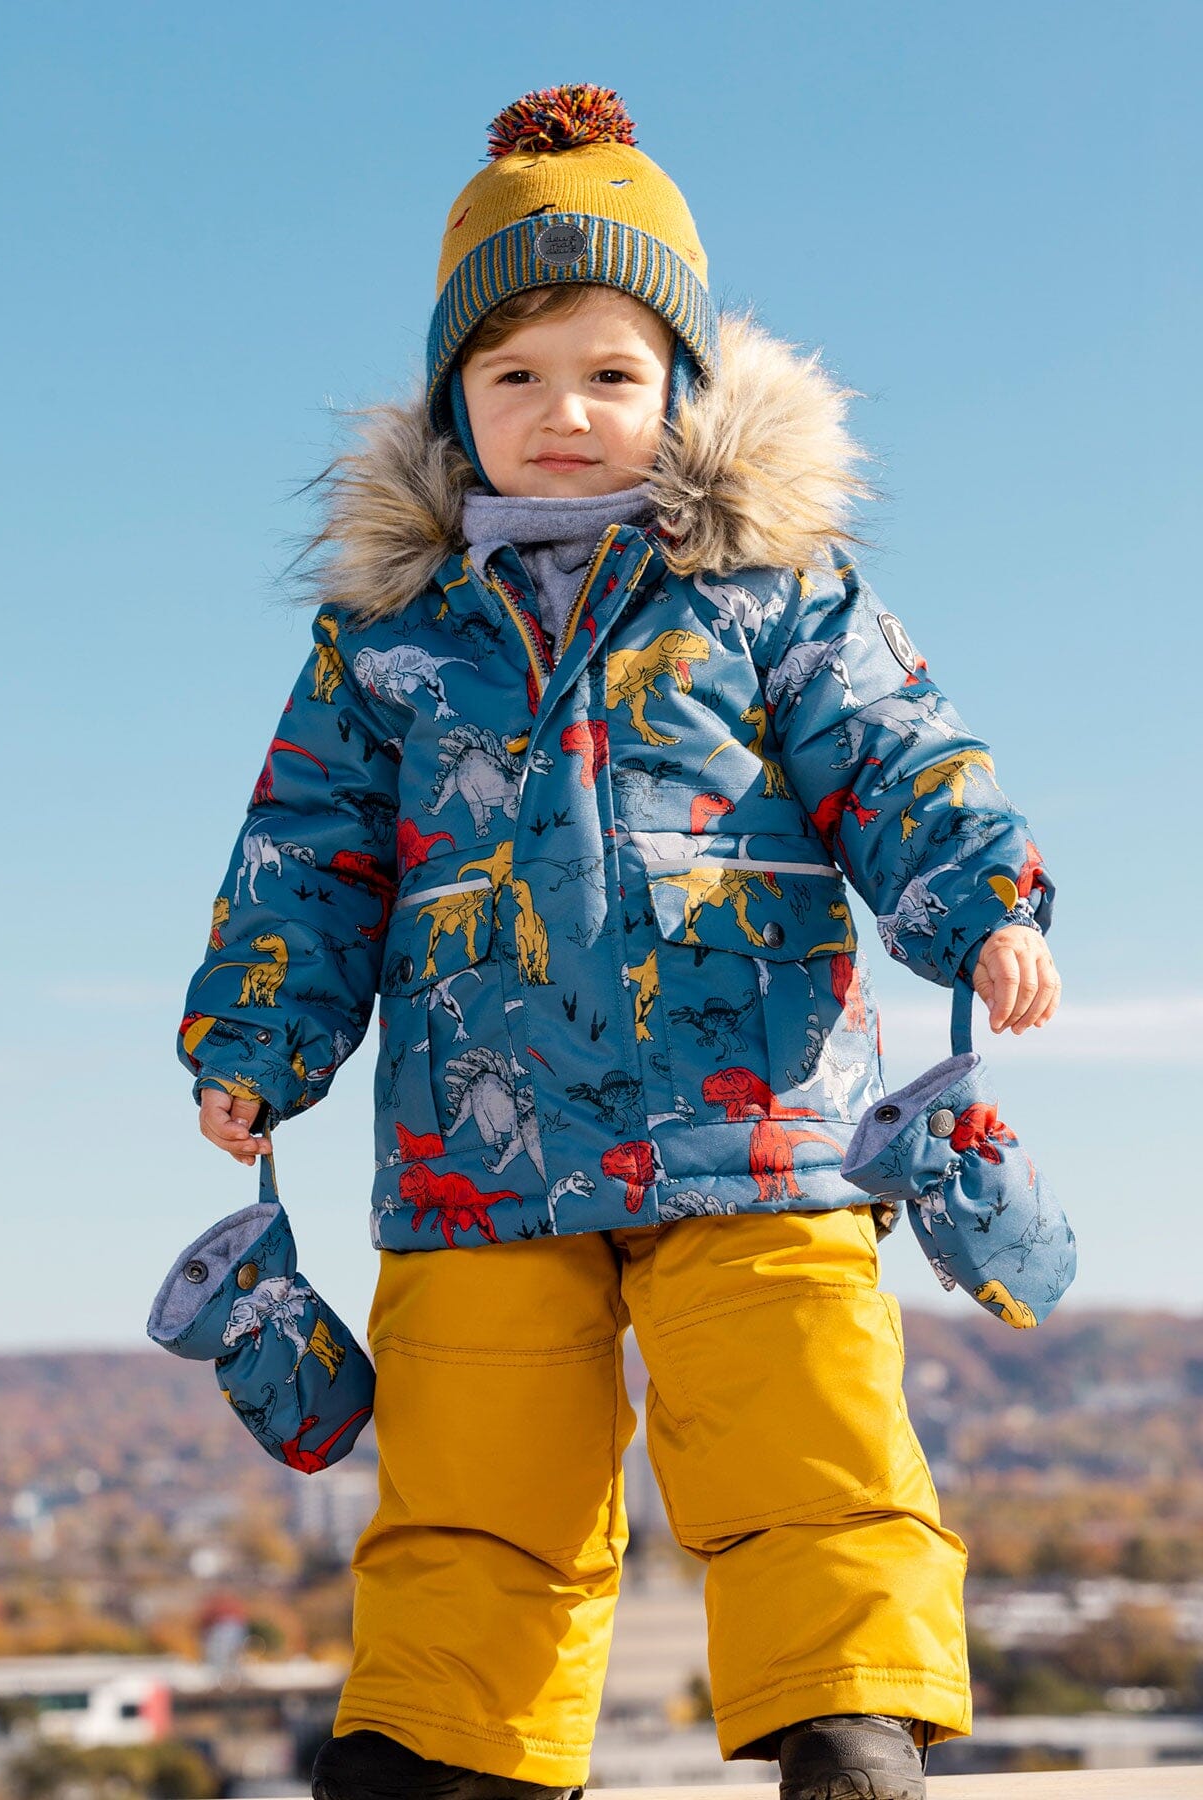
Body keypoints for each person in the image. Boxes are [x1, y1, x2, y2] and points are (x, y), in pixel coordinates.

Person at [178, 85, 1060, 1800]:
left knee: (804, 1429)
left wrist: (987, 899)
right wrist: (255, 1037)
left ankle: (844, 1722)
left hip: (759, 1125)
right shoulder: (390, 641)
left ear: (679, 387)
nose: (563, 413)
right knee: (476, 1475)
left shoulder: (772, 593)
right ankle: (453, 1755)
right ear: (455, 408)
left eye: (607, 371)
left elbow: (900, 756)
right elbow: (305, 853)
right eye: (513, 377)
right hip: (476, 1147)